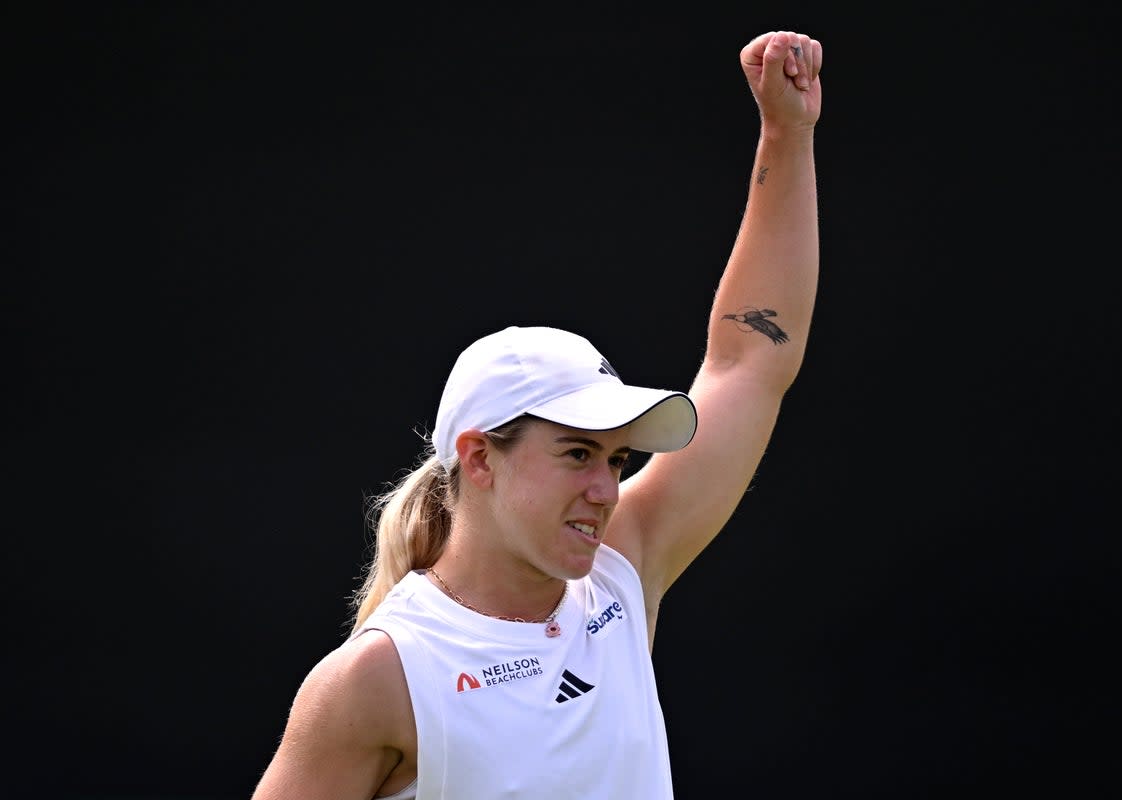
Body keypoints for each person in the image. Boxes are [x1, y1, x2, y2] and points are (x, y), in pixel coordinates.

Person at [251, 28, 824, 800]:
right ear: (481, 457)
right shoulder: (378, 678)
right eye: (578, 454)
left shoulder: (621, 571)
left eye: (616, 461)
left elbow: (750, 363)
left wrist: (787, 136)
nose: (606, 489)